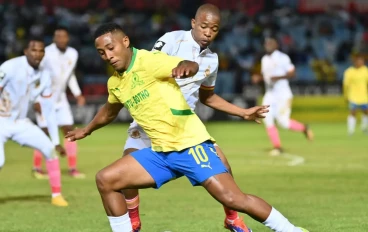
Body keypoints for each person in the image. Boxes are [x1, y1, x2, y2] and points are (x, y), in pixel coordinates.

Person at [66, 22, 309, 232]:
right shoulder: (115, 83)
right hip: (160, 153)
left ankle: (290, 229)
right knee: (106, 180)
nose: (108, 55)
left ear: (125, 41)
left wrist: (186, 68)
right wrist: (86, 130)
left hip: (190, 146)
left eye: (111, 48)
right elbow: (109, 111)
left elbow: (187, 64)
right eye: (101, 52)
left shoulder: (149, 61)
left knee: (234, 198)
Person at [122, 4, 265, 232]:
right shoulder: (171, 40)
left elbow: (207, 97)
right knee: (125, 171)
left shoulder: (212, 60)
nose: (208, 32)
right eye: (204, 26)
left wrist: (243, 112)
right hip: (151, 119)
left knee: (224, 166)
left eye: (214, 28)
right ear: (193, 23)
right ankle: (133, 220)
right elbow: (146, 66)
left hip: (184, 125)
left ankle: (232, 218)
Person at [0, 37, 68, 207]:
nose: (37, 54)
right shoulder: (10, 67)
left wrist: (55, 141)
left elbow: (49, 110)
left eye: (41, 50)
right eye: (34, 50)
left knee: (50, 150)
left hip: (20, 123)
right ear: (25, 51)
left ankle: (57, 195)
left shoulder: (44, 75)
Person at [32, 26, 86, 179]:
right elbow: (36, 75)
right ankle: (36, 168)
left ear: (67, 38)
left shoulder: (73, 53)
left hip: (61, 98)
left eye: (64, 36)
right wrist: (36, 99)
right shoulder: (46, 53)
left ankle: (72, 168)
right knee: (44, 132)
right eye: (58, 36)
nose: (61, 39)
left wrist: (77, 94)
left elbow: (70, 76)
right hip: (44, 98)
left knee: (69, 130)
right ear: (54, 38)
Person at [252, 37, 314, 156]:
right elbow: (266, 76)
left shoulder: (282, 57)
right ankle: (277, 146)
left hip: (283, 94)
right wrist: (258, 78)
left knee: (283, 123)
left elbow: (292, 72)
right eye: (266, 43)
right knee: (266, 118)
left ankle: (304, 128)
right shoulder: (264, 59)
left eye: (271, 43)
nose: (268, 45)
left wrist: (278, 77)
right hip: (270, 94)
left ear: (276, 45)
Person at [343, 53, 368, 135]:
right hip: (353, 96)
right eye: (359, 61)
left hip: (364, 96)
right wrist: (346, 95)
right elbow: (345, 85)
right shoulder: (349, 72)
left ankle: (364, 127)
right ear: (355, 62)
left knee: (366, 112)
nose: (361, 62)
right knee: (352, 112)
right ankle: (351, 130)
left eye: (362, 61)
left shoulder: (365, 71)